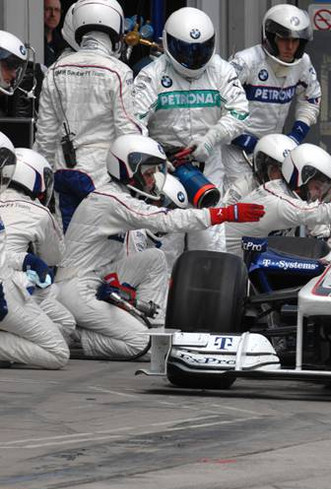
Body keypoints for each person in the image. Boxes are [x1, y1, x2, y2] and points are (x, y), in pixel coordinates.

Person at [55, 134, 264, 360]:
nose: (153, 180)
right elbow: (164, 219)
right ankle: (76, 338)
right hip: (75, 288)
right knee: (146, 346)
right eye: (147, 174)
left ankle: (155, 325)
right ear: (129, 172)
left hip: (93, 279)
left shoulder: (116, 197)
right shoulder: (112, 200)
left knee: (154, 258)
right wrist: (224, 213)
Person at [133, 6, 249, 255]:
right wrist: (156, 158)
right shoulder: (151, 75)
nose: (194, 56)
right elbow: (133, 123)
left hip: (209, 169)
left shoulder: (221, 70)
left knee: (209, 246)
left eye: (200, 49)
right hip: (165, 172)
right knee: (164, 248)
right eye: (185, 49)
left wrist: (210, 139)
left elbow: (240, 112)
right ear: (169, 43)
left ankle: (206, 294)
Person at [34, 0, 144, 234]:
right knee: (106, 254)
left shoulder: (55, 70)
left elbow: (44, 136)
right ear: (115, 27)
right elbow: (128, 133)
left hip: (63, 172)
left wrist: (40, 185)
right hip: (103, 176)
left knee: (67, 247)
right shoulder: (118, 71)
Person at [223, 4, 321, 201]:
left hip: (274, 152)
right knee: (238, 202)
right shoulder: (245, 62)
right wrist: (239, 137)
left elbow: (311, 99)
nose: (290, 47)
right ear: (270, 37)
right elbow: (218, 102)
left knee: (277, 202)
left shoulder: (303, 63)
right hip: (236, 150)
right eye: (284, 39)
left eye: (295, 41)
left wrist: (295, 137)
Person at [0, 132, 70, 369]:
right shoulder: (40, 212)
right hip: (10, 287)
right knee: (62, 335)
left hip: (8, 280)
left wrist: (22, 259)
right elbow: (55, 259)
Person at [224, 143, 331, 258]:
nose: (319, 195)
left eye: (324, 190)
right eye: (317, 187)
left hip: (240, 268)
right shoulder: (275, 201)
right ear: (300, 178)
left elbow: (323, 239)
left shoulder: (288, 196)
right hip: (221, 270)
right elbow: (319, 213)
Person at [222, 133, 297, 206]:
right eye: (277, 170)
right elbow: (225, 212)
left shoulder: (298, 189)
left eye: (288, 170)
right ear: (263, 168)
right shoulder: (241, 188)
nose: (284, 176)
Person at [44, 0, 65, 66]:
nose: (53, 14)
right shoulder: (34, 41)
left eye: (57, 10)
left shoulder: (64, 45)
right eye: (48, 9)